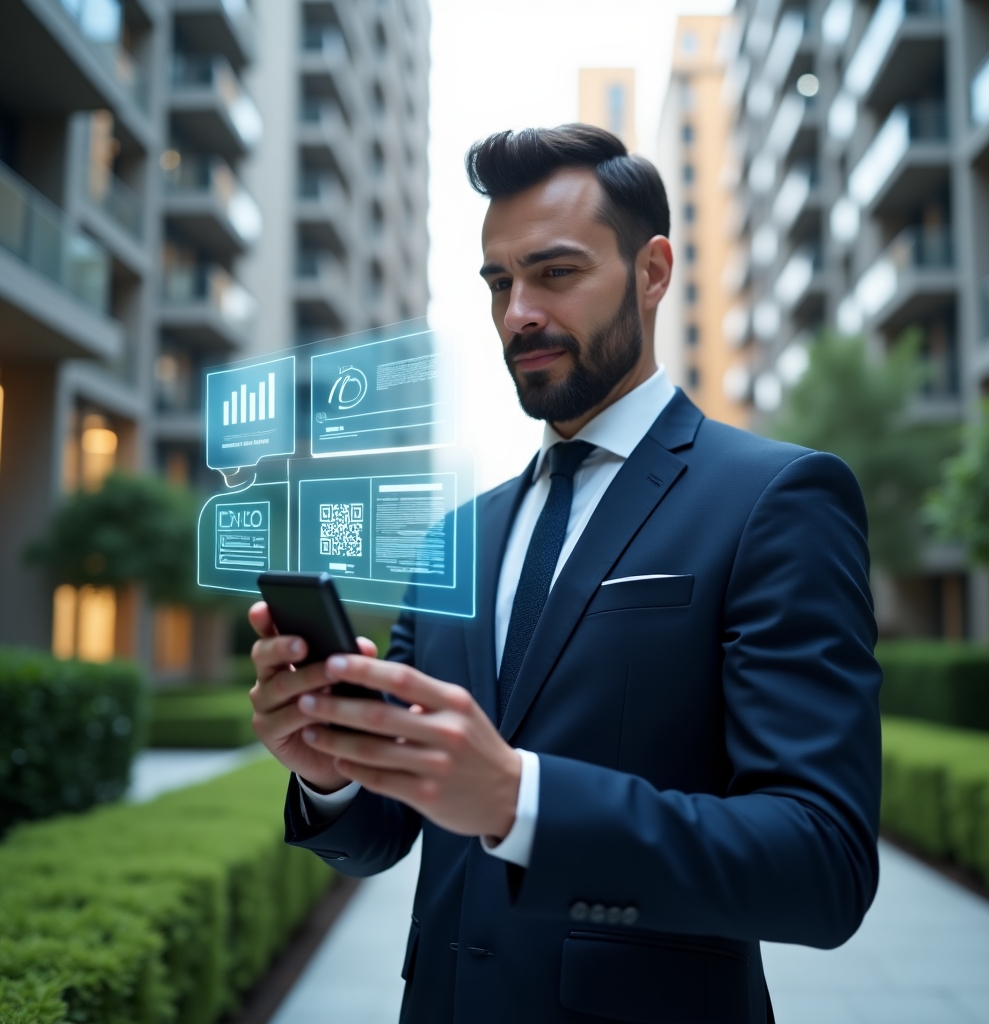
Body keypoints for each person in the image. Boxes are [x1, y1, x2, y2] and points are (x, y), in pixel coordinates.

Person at [248, 124, 881, 1024]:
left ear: (652, 272)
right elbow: (386, 833)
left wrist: (523, 801)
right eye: (498, 283)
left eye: (555, 273)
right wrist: (333, 773)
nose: (518, 313)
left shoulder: (776, 498)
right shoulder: (457, 536)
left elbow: (822, 866)